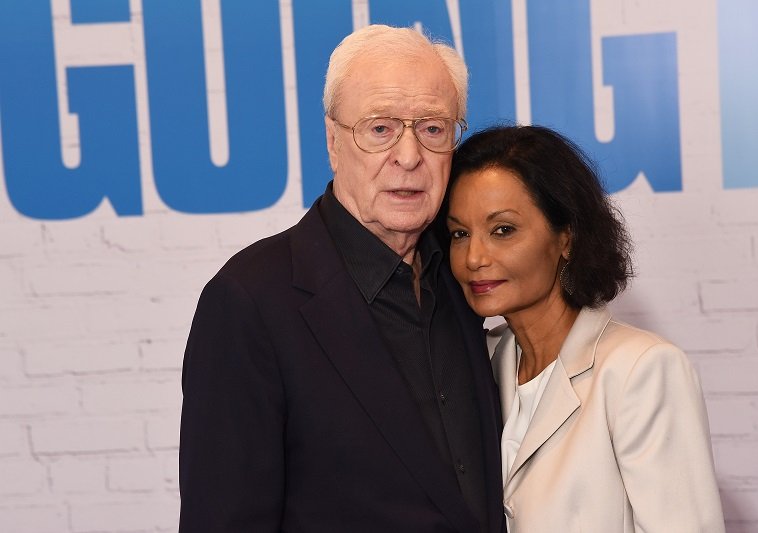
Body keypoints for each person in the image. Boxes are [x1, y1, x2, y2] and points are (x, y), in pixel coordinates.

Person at [178, 25, 505, 533]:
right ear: (333, 142)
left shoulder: (469, 276)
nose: (409, 155)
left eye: (433, 129)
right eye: (380, 128)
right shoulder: (249, 301)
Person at [443, 125, 725, 532]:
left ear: (567, 238)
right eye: (459, 233)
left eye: (503, 230)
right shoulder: (474, 364)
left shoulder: (639, 371)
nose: (474, 257)